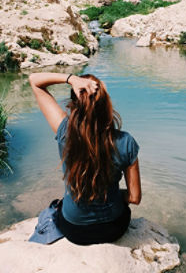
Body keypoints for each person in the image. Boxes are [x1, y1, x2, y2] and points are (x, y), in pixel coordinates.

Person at [29, 72, 142, 245]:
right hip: (114, 229)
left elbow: (35, 81)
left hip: (75, 231)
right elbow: (134, 198)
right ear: (106, 104)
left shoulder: (65, 132)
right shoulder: (126, 142)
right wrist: (111, 196)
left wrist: (71, 79)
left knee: (59, 206)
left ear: (75, 105)